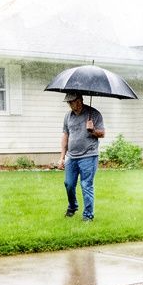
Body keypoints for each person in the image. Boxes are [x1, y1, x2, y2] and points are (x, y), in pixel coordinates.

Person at [58, 92, 104, 221]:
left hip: (89, 155)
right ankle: (73, 206)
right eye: (69, 102)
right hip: (72, 156)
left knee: (86, 185)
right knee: (69, 184)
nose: (71, 105)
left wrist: (93, 130)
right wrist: (62, 157)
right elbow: (65, 136)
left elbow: (103, 133)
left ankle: (88, 215)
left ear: (80, 100)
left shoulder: (94, 114)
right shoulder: (68, 116)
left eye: (72, 101)